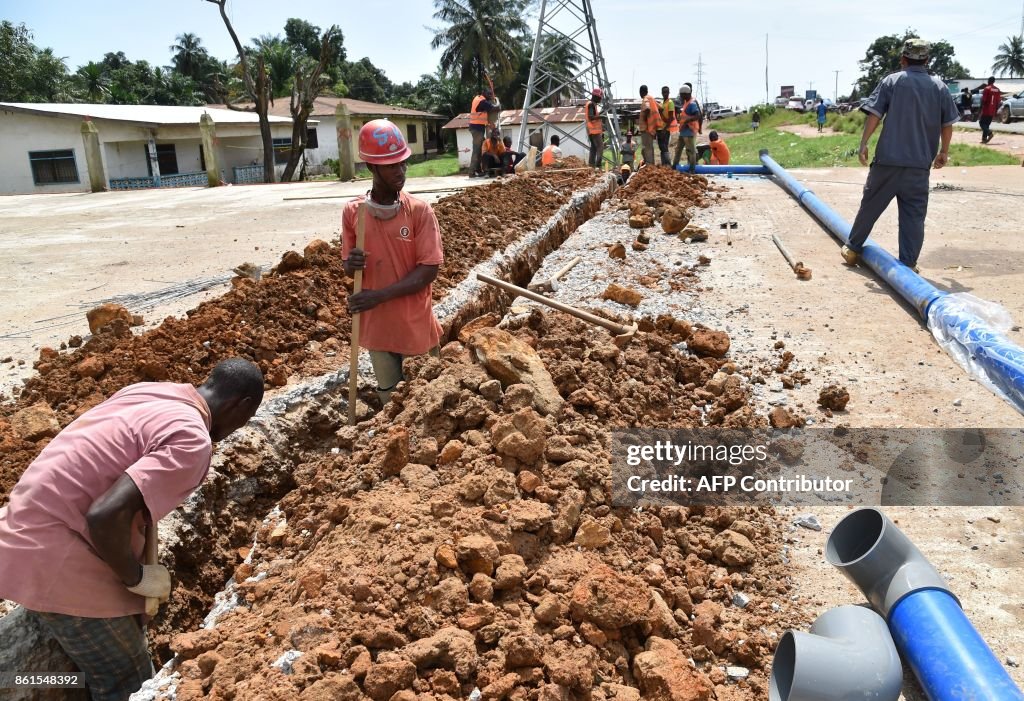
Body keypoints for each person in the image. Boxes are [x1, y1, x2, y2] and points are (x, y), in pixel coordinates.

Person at [0, 358, 264, 700]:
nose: (240, 427)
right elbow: (104, 516)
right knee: (128, 682)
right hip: (57, 559)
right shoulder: (191, 439)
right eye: (247, 418)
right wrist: (136, 578)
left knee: (79, 679)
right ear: (241, 406)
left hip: (20, 530)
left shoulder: (153, 392)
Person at [343, 119, 444, 403]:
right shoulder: (355, 212)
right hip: (379, 329)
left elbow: (429, 270)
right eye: (391, 165)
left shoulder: (419, 212)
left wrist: (380, 296)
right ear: (371, 167)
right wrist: (351, 264)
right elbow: (349, 268)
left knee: (428, 400)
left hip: (414, 325)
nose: (400, 171)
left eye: (402, 164)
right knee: (391, 402)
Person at [840, 39, 959, 272]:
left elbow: (874, 114)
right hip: (919, 166)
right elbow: (947, 124)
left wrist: (864, 143)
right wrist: (944, 151)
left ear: (903, 59)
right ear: (927, 60)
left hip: (888, 161)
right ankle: (909, 263)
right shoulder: (939, 87)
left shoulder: (892, 81)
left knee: (871, 206)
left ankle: (853, 248)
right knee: (914, 216)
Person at [672, 84, 702, 170]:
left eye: (681, 95)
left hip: (689, 131)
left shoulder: (692, 104)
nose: (681, 97)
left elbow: (697, 115)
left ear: (685, 94)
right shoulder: (686, 103)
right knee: (678, 150)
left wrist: (686, 121)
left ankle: (692, 169)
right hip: (683, 131)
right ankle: (674, 166)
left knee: (691, 151)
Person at [468, 88, 496, 178]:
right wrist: (496, 101)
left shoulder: (479, 99)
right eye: (488, 94)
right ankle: (471, 172)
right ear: (484, 93)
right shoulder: (481, 101)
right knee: (476, 150)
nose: (489, 96)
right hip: (477, 128)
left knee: (480, 149)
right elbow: (493, 108)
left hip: (477, 127)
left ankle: (478, 170)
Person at [638, 85, 663, 167]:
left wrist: (646, 119)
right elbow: (661, 108)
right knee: (649, 148)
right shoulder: (652, 98)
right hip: (652, 128)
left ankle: (650, 166)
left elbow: (647, 108)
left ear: (641, 92)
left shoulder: (645, 99)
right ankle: (650, 165)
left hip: (646, 128)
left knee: (647, 148)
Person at [585, 88, 604, 168]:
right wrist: (601, 116)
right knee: (600, 147)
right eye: (599, 98)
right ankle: (598, 165)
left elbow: (592, 116)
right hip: (594, 130)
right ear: (595, 96)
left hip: (591, 130)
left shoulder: (591, 104)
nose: (600, 99)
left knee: (593, 148)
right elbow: (591, 117)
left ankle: (591, 165)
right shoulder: (591, 104)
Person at [658, 86, 676, 166]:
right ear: (662, 93)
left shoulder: (670, 102)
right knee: (661, 148)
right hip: (660, 128)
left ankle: (668, 164)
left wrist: (665, 129)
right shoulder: (662, 103)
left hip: (665, 129)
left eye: (666, 92)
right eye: (664, 92)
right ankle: (664, 164)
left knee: (664, 148)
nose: (665, 93)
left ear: (669, 93)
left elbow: (671, 118)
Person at [980, 77, 1000, 144]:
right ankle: (984, 139)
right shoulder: (997, 90)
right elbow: (998, 102)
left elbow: (983, 100)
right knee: (987, 125)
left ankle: (990, 133)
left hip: (986, 109)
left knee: (982, 123)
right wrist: (996, 111)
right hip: (993, 110)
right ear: (994, 81)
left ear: (988, 81)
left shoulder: (987, 89)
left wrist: (980, 109)